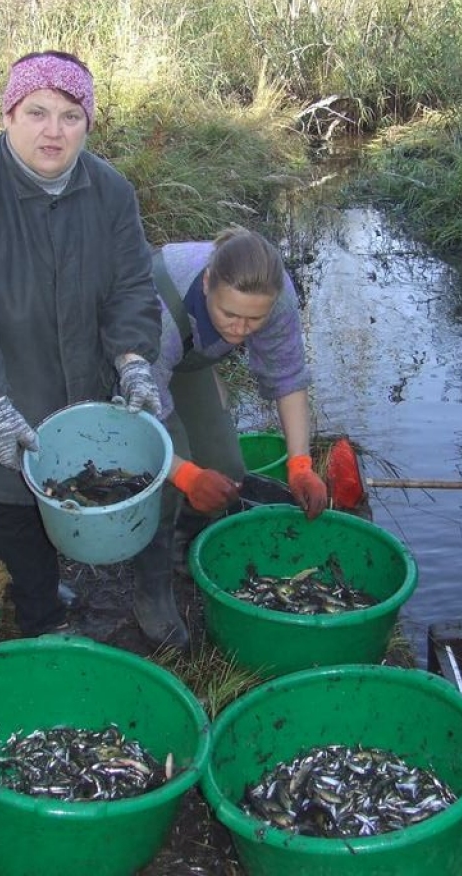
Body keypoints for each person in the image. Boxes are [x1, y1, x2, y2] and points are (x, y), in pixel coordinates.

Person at [0, 50, 162, 636]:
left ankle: (46, 581)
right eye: (37, 112)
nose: (54, 130)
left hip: (71, 384)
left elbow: (131, 285)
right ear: (8, 116)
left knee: (62, 490)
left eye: (71, 115)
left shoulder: (110, 192)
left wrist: (133, 364)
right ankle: (41, 622)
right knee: (10, 507)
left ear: (88, 124)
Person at [134, 226, 328, 651]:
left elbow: (288, 379)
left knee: (225, 468)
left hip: (186, 360)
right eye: (229, 316)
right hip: (132, 367)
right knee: (163, 480)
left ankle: (184, 548)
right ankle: (151, 592)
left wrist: (300, 465)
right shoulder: (156, 309)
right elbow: (142, 421)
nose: (240, 331)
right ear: (207, 284)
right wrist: (184, 476)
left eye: (254, 319)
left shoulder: (277, 296)